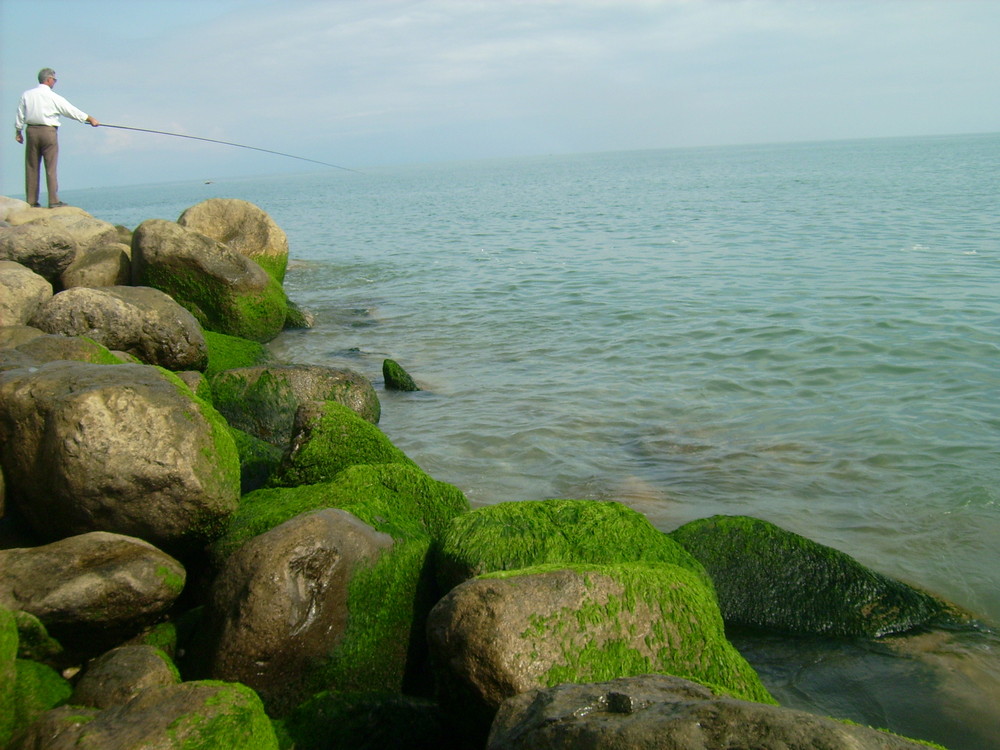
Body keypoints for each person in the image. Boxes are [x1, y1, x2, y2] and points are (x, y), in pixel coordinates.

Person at [14, 68, 99, 208]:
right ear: (48, 79)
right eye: (54, 79)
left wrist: (18, 131)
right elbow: (70, 110)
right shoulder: (53, 96)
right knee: (51, 167)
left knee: (31, 166)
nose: (55, 82)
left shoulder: (27, 95)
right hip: (48, 132)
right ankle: (53, 200)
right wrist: (90, 119)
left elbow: (20, 114)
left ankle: (31, 201)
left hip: (31, 131)